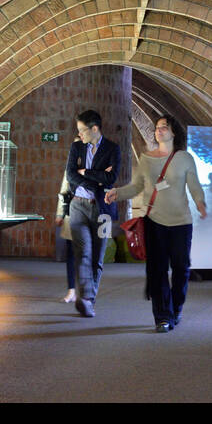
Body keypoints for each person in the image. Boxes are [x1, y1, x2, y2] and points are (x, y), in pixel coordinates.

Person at [106, 114, 205, 332]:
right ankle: (163, 317)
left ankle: (176, 307)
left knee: (181, 268)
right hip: (154, 222)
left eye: (164, 127)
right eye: (157, 127)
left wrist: (200, 202)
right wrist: (118, 193)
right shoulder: (146, 158)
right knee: (157, 269)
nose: (159, 131)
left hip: (180, 222)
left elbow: (194, 185)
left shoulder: (184, 158)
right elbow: (136, 187)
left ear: (174, 132)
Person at [64, 109, 120, 317]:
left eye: (82, 130)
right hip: (78, 206)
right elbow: (70, 175)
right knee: (83, 253)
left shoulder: (113, 149)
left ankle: (89, 300)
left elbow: (110, 179)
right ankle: (86, 298)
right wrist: (96, 178)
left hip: (103, 209)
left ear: (94, 129)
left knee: (97, 257)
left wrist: (86, 172)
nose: (79, 135)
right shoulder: (76, 147)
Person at [55, 169, 76, 302]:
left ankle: (88, 291)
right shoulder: (72, 164)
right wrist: (59, 214)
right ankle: (71, 290)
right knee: (71, 254)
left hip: (91, 213)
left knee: (89, 256)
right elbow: (64, 191)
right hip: (72, 211)